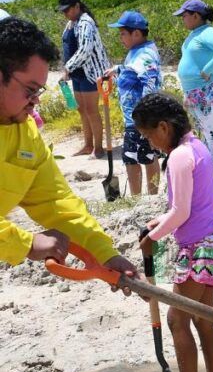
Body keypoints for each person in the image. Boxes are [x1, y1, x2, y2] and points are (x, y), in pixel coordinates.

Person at [0, 16, 136, 281]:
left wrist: (105, 254)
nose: (35, 102)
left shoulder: (24, 132)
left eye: (39, 91)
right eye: (29, 90)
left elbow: (55, 202)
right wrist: (25, 244)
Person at [135, 92, 213, 372]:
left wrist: (152, 237)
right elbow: (184, 208)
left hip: (199, 248)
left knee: (178, 318)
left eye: (150, 135)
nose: (150, 143)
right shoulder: (198, 147)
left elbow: (180, 210)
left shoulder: (178, 156)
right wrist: (158, 222)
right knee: (204, 319)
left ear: (164, 127)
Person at [103, 11, 162, 196]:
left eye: (123, 34)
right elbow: (133, 69)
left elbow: (150, 84)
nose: (120, 38)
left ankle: (147, 198)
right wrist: (117, 70)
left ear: (136, 33)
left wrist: (146, 119)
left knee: (143, 157)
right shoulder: (136, 52)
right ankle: (140, 199)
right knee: (135, 157)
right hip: (134, 118)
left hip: (141, 119)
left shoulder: (145, 54)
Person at [174, 0, 213, 181]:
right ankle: (206, 168)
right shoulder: (194, 34)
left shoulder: (208, 32)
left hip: (205, 89)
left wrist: (208, 70)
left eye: (184, 15)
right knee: (201, 131)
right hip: (192, 91)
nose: (182, 19)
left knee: (212, 131)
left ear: (196, 15)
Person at [57, 0, 110, 158]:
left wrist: (67, 68)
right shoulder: (71, 23)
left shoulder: (86, 22)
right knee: (82, 110)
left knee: (91, 110)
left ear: (77, 7)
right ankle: (88, 145)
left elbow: (85, 50)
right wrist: (69, 69)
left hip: (91, 73)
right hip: (77, 74)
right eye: (63, 11)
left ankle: (98, 148)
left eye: (68, 10)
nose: (65, 13)